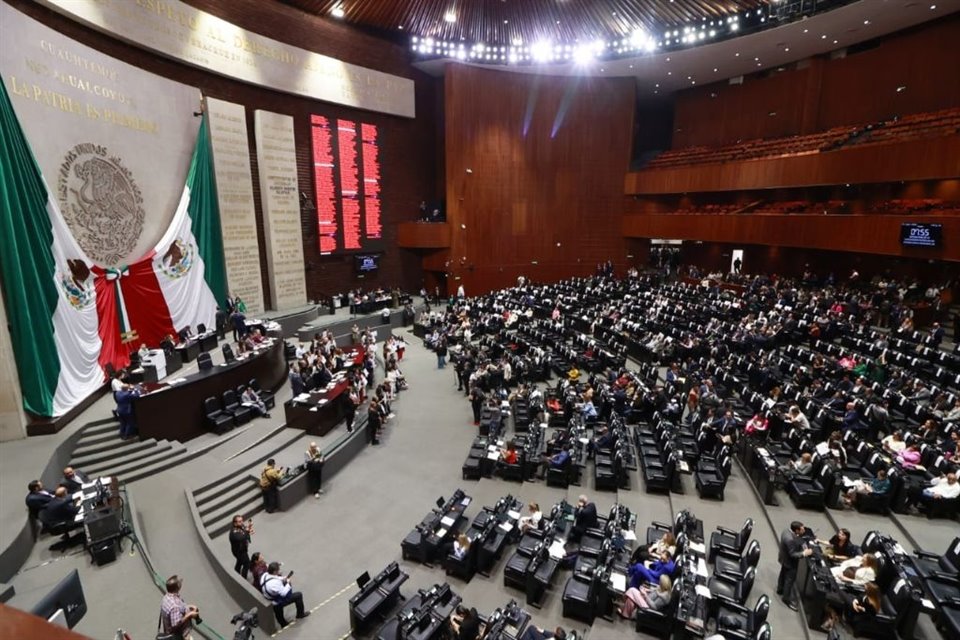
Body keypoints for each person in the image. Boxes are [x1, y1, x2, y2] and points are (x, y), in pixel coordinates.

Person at [260, 562, 309, 627]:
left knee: (278, 611)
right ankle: (300, 614)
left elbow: (275, 578)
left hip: (267, 596)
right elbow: (283, 593)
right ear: (274, 571)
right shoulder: (275, 583)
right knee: (298, 595)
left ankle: (283, 624)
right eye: (278, 570)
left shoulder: (264, 575)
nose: (279, 571)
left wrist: (283, 578)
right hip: (276, 601)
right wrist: (288, 583)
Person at [777, 521, 813, 611]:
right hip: (790, 562)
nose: (804, 530)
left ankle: (780, 589)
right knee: (789, 580)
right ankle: (786, 599)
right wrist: (804, 553)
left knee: (783, 573)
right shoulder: (790, 540)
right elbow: (793, 554)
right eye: (802, 529)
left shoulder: (786, 531)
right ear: (797, 530)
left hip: (783, 558)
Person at [159, 575, 200, 640]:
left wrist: (187, 607)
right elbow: (175, 625)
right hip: (181, 636)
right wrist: (189, 615)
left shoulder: (166, 597)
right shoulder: (174, 606)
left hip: (168, 631)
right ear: (177, 587)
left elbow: (175, 610)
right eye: (179, 582)